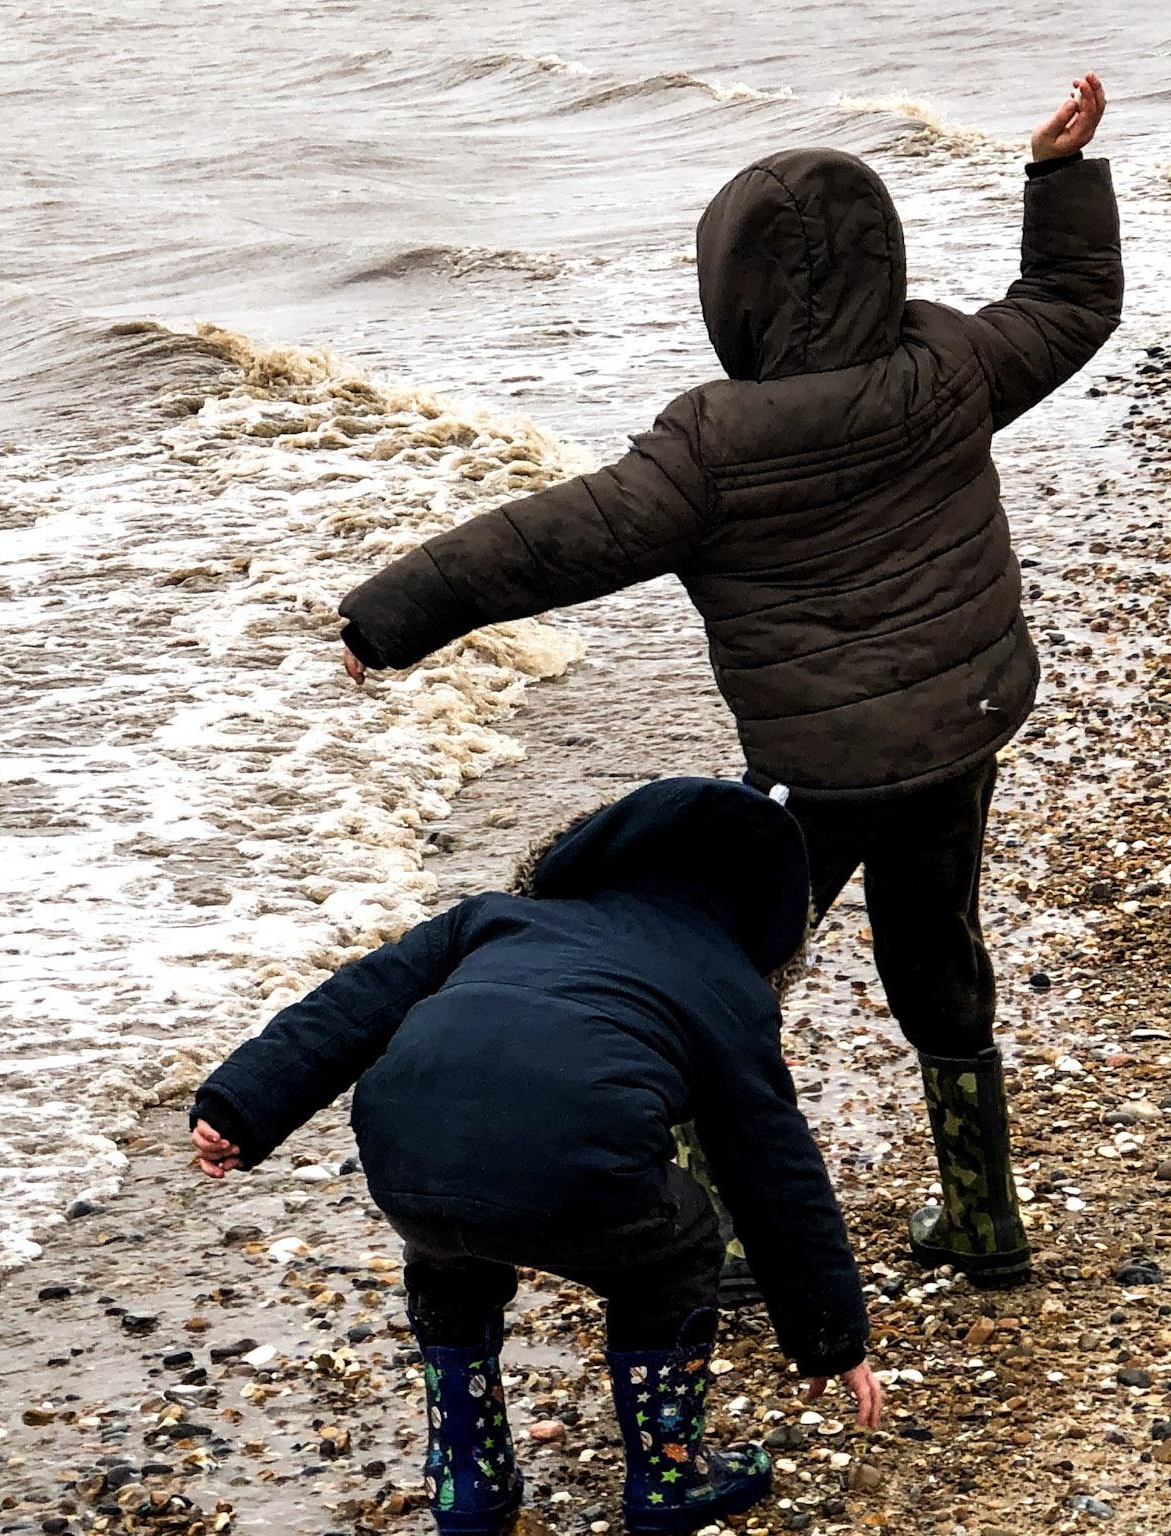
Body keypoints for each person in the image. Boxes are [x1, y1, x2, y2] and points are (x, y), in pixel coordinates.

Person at [333, 76, 1121, 1290]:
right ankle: (980, 1216)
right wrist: (1055, 176)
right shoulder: (946, 362)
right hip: (964, 722)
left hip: (819, 769)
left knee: (717, 972)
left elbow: (547, 541)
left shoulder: (709, 449)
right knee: (935, 947)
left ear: (731, 296)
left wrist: (389, 618)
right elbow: (1069, 302)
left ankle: (719, 1239)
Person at [189, 779, 882, 1536]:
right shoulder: (729, 990)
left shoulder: (496, 916)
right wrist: (828, 1337)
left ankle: (469, 1477)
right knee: (679, 1242)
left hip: (407, 1152)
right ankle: (670, 1474)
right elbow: (773, 1172)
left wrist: (239, 1107)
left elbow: (349, 1006)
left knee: (448, 1241)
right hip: (576, 1172)